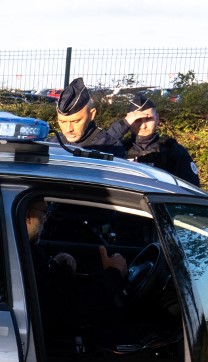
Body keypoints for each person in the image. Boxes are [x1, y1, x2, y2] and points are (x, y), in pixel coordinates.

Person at [25, 198, 128, 340]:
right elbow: (67, 310)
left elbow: (54, 294)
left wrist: (55, 265)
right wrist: (113, 274)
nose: (46, 219)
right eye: (44, 213)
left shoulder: (25, 250)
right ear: (28, 216)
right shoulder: (22, 252)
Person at [119, 94, 200, 186]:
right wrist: (122, 125)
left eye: (148, 119)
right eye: (137, 120)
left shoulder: (173, 151)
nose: (144, 125)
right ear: (129, 121)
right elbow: (100, 146)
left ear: (157, 118)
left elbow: (191, 189)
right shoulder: (118, 149)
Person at [53, 77, 126, 156]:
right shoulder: (51, 144)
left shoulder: (110, 148)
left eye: (75, 121)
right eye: (62, 121)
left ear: (92, 115)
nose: (69, 129)